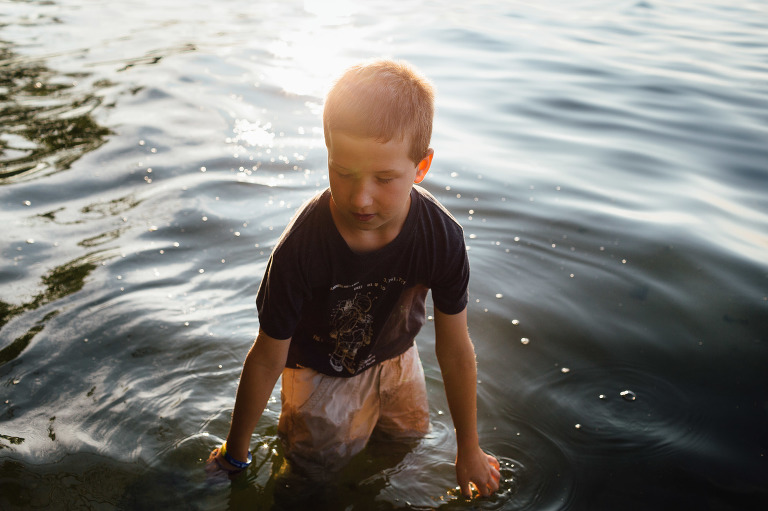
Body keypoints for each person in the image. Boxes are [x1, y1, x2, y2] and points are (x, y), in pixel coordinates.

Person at [206, 59, 500, 499]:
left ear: (421, 168)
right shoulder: (300, 250)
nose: (361, 197)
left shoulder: (440, 237)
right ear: (327, 153)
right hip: (321, 378)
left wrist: (468, 448)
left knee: (405, 444)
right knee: (312, 481)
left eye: (384, 178)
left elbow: (455, 349)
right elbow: (267, 356)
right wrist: (236, 453)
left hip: (399, 361)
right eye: (343, 173)